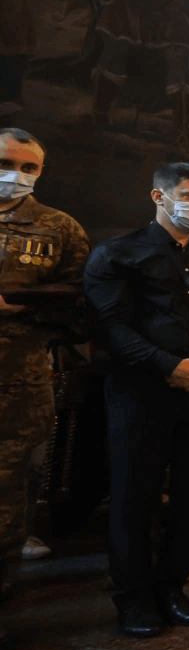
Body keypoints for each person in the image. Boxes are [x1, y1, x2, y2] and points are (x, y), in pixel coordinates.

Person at [83, 163, 189, 637]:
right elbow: (109, 325)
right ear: (159, 197)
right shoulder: (119, 254)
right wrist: (168, 365)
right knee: (134, 496)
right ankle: (134, 598)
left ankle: (172, 587)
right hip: (141, 392)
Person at [0, 129, 88, 620]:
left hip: (18, 379)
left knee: (7, 497)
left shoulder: (59, 228)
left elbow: (79, 299)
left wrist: (17, 304)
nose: (16, 174)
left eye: (28, 167)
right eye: (6, 163)